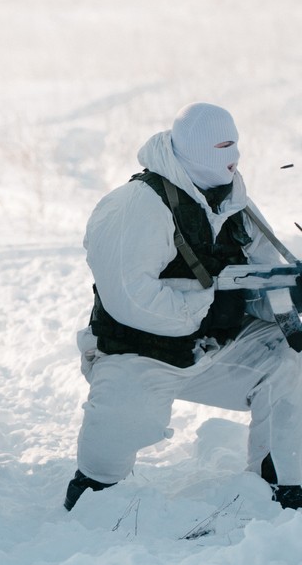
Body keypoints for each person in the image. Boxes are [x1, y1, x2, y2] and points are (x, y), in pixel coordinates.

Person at [65, 102, 302, 511]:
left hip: (215, 349)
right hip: (142, 354)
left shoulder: (235, 205)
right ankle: (95, 489)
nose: (233, 158)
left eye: (236, 145)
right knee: (115, 447)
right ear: (194, 150)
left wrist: (287, 295)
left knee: (293, 357)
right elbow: (130, 297)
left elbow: (264, 279)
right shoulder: (137, 204)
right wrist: (208, 304)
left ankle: (281, 479)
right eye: (222, 147)